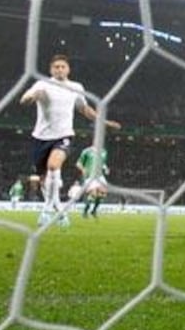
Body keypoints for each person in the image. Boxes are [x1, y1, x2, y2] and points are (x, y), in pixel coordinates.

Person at [20, 54, 121, 226]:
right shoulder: (42, 84)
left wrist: (104, 122)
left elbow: (85, 109)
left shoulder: (75, 87)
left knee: (54, 165)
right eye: (56, 67)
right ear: (51, 69)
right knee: (45, 180)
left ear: (68, 69)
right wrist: (31, 97)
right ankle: (58, 210)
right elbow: (24, 99)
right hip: (41, 138)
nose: (59, 69)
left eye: (62, 66)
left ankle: (46, 211)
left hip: (64, 135)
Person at [76, 144, 110, 218]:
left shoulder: (103, 151)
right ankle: (85, 211)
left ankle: (94, 211)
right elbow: (78, 163)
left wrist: (106, 168)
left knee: (103, 193)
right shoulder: (87, 151)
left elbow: (103, 163)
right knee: (93, 194)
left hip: (100, 176)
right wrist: (83, 169)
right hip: (90, 176)